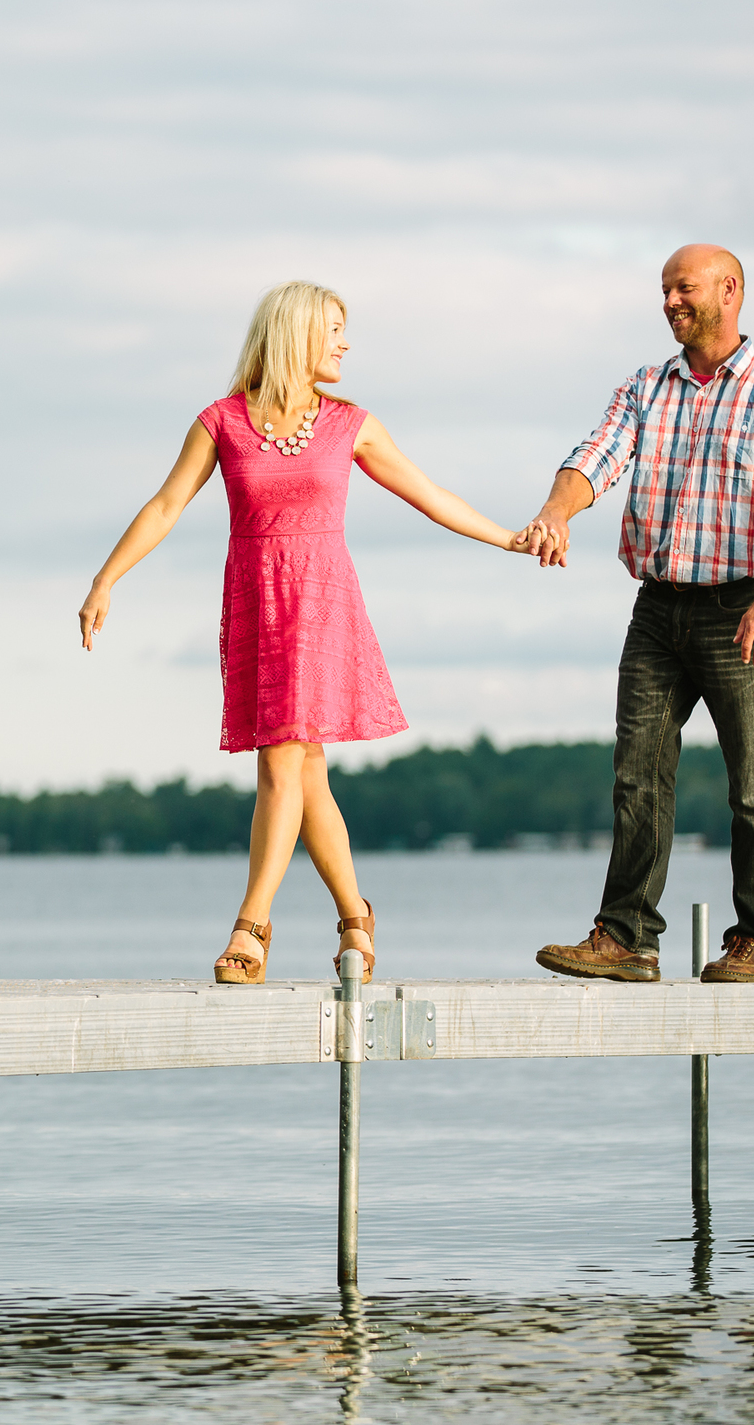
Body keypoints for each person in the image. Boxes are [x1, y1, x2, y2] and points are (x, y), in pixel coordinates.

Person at [78, 280, 527, 984]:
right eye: (336, 330)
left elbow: (430, 495)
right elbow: (166, 504)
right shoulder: (222, 421)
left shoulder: (351, 423)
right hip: (258, 603)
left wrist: (510, 539)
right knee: (302, 770)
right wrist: (107, 579)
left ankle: (251, 926)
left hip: (322, 605)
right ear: (297, 334)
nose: (346, 344)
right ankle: (356, 917)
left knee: (283, 764)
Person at [517, 244, 754, 985]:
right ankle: (626, 938)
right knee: (637, 774)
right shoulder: (647, 388)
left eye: (682, 288)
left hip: (743, 607)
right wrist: (557, 510)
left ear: (729, 290)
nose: (669, 302)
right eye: (663, 290)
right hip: (658, 608)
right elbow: (597, 454)